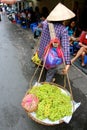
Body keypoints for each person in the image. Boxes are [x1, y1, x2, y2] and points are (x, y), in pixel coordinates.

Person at [38, 3, 75, 82]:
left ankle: (47, 73)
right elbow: (65, 47)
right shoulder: (63, 29)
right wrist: (68, 63)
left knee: (46, 65)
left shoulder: (45, 23)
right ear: (63, 19)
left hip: (42, 53)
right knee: (50, 72)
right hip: (51, 57)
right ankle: (47, 84)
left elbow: (40, 25)